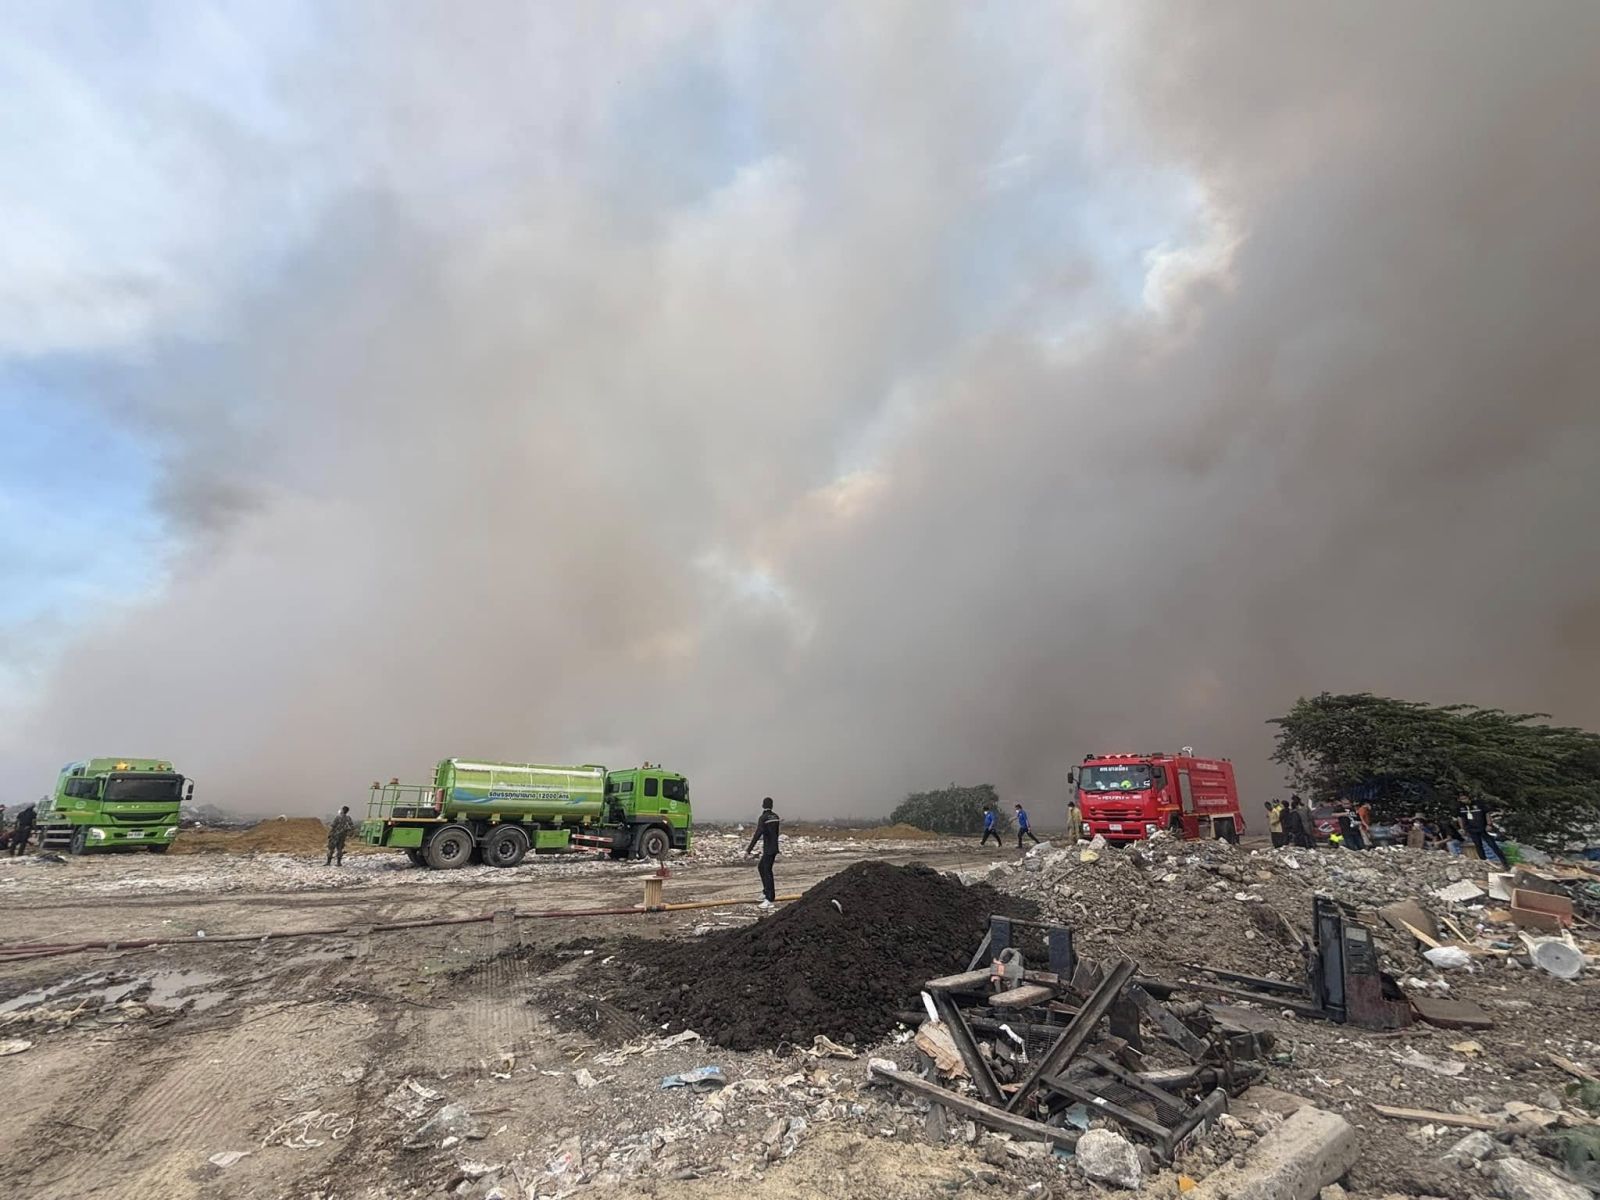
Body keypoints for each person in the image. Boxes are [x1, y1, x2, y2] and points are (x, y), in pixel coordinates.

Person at [745, 796, 781, 907]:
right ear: (772, 805)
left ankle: (769, 898)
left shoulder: (763, 818)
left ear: (763, 805)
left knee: (767, 871)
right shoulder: (776, 817)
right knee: (761, 867)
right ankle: (766, 892)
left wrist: (749, 850)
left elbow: (757, 834)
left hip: (768, 848)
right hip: (774, 847)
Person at [1455, 794, 1507, 867]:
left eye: (1465, 798)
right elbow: (1460, 817)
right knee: (1478, 846)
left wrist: (1489, 824)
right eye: (1461, 799)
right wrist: (1462, 828)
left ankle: (1504, 862)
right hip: (1471, 829)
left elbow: (1487, 813)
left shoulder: (1478, 804)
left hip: (1483, 827)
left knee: (1492, 844)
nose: (1464, 800)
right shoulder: (1460, 807)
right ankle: (1484, 861)